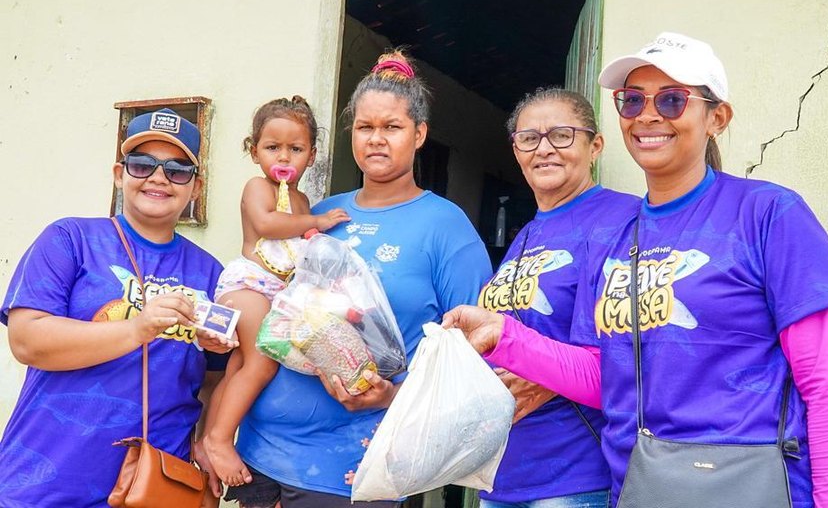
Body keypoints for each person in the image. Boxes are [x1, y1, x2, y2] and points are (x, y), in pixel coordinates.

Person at [444, 32, 828, 507]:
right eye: (632, 101)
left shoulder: (766, 213)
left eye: (672, 100)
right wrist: (502, 334)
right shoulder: (616, 237)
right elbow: (601, 377)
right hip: (641, 484)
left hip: (746, 481)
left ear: (717, 117)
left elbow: (827, 377)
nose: (648, 115)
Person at [223, 50, 492, 508]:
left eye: (392, 127)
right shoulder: (324, 211)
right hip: (258, 455)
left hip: (350, 469)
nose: (376, 140)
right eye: (366, 128)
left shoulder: (446, 227)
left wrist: (393, 395)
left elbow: (472, 355)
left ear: (420, 133)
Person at [0, 108, 236, 506]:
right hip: (47, 481)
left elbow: (214, 383)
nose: (159, 178)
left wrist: (209, 440)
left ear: (195, 187)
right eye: (142, 165)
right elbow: (26, 340)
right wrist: (137, 328)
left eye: (178, 169)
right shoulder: (70, 238)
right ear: (118, 174)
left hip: (154, 486)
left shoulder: (212, 273)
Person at [476, 88, 639, 508]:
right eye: (529, 138)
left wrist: (545, 375)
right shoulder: (528, 234)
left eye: (562, 135)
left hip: (573, 472)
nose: (544, 148)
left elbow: (633, 347)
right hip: (503, 471)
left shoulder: (624, 219)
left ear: (595, 146)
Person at [201, 96, 351, 488]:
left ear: (312, 154)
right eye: (272, 147)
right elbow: (268, 225)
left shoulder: (301, 200)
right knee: (262, 363)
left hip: (275, 293)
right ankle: (219, 440)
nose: (284, 156)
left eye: (296, 148)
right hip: (248, 286)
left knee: (237, 368)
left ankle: (208, 435)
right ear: (254, 152)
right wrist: (315, 221)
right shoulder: (258, 187)